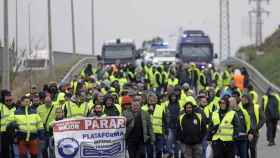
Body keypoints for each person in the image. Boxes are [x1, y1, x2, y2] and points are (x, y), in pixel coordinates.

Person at [165, 92, 180, 158]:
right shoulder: (167, 104)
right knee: (169, 141)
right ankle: (170, 152)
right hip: (170, 125)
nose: (173, 98)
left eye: (174, 96)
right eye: (172, 96)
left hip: (178, 126)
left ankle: (176, 155)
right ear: (170, 97)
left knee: (177, 142)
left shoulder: (179, 104)